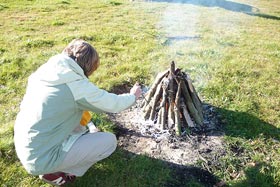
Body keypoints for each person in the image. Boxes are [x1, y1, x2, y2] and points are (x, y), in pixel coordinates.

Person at [14, 39, 142, 186]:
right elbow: (112, 104)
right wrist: (133, 96)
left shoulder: (46, 71)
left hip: (26, 144)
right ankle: (61, 173)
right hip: (41, 158)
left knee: (78, 121)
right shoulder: (75, 84)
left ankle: (58, 161)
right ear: (88, 65)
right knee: (109, 142)